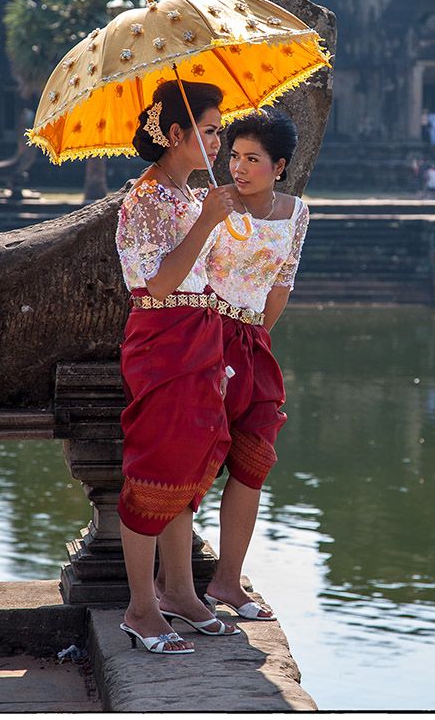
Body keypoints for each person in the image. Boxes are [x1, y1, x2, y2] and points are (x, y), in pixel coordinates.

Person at [115, 79, 240, 654]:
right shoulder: (143, 199)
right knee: (155, 469)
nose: (219, 142)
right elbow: (158, 284)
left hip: (201, 338)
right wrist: (208, 223)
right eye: (210, 131)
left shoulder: (191, 197)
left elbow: (206, 276)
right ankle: (141, 608)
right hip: (163, 340)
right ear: (173, 134)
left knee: (188, 474)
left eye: (219, 131)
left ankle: (182, 592)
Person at [191, 108, 309, 621]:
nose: (238, 167)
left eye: (252, 159)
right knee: (193, 455)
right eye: (234, 156)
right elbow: (189, 273)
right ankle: (173, 584)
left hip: (253, 340)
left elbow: (281, 282)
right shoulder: (212, 204)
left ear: (278, 166)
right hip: (201, 335)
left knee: (254, 460)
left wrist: (256, 340)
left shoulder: (296, 213)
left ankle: (227, 581)